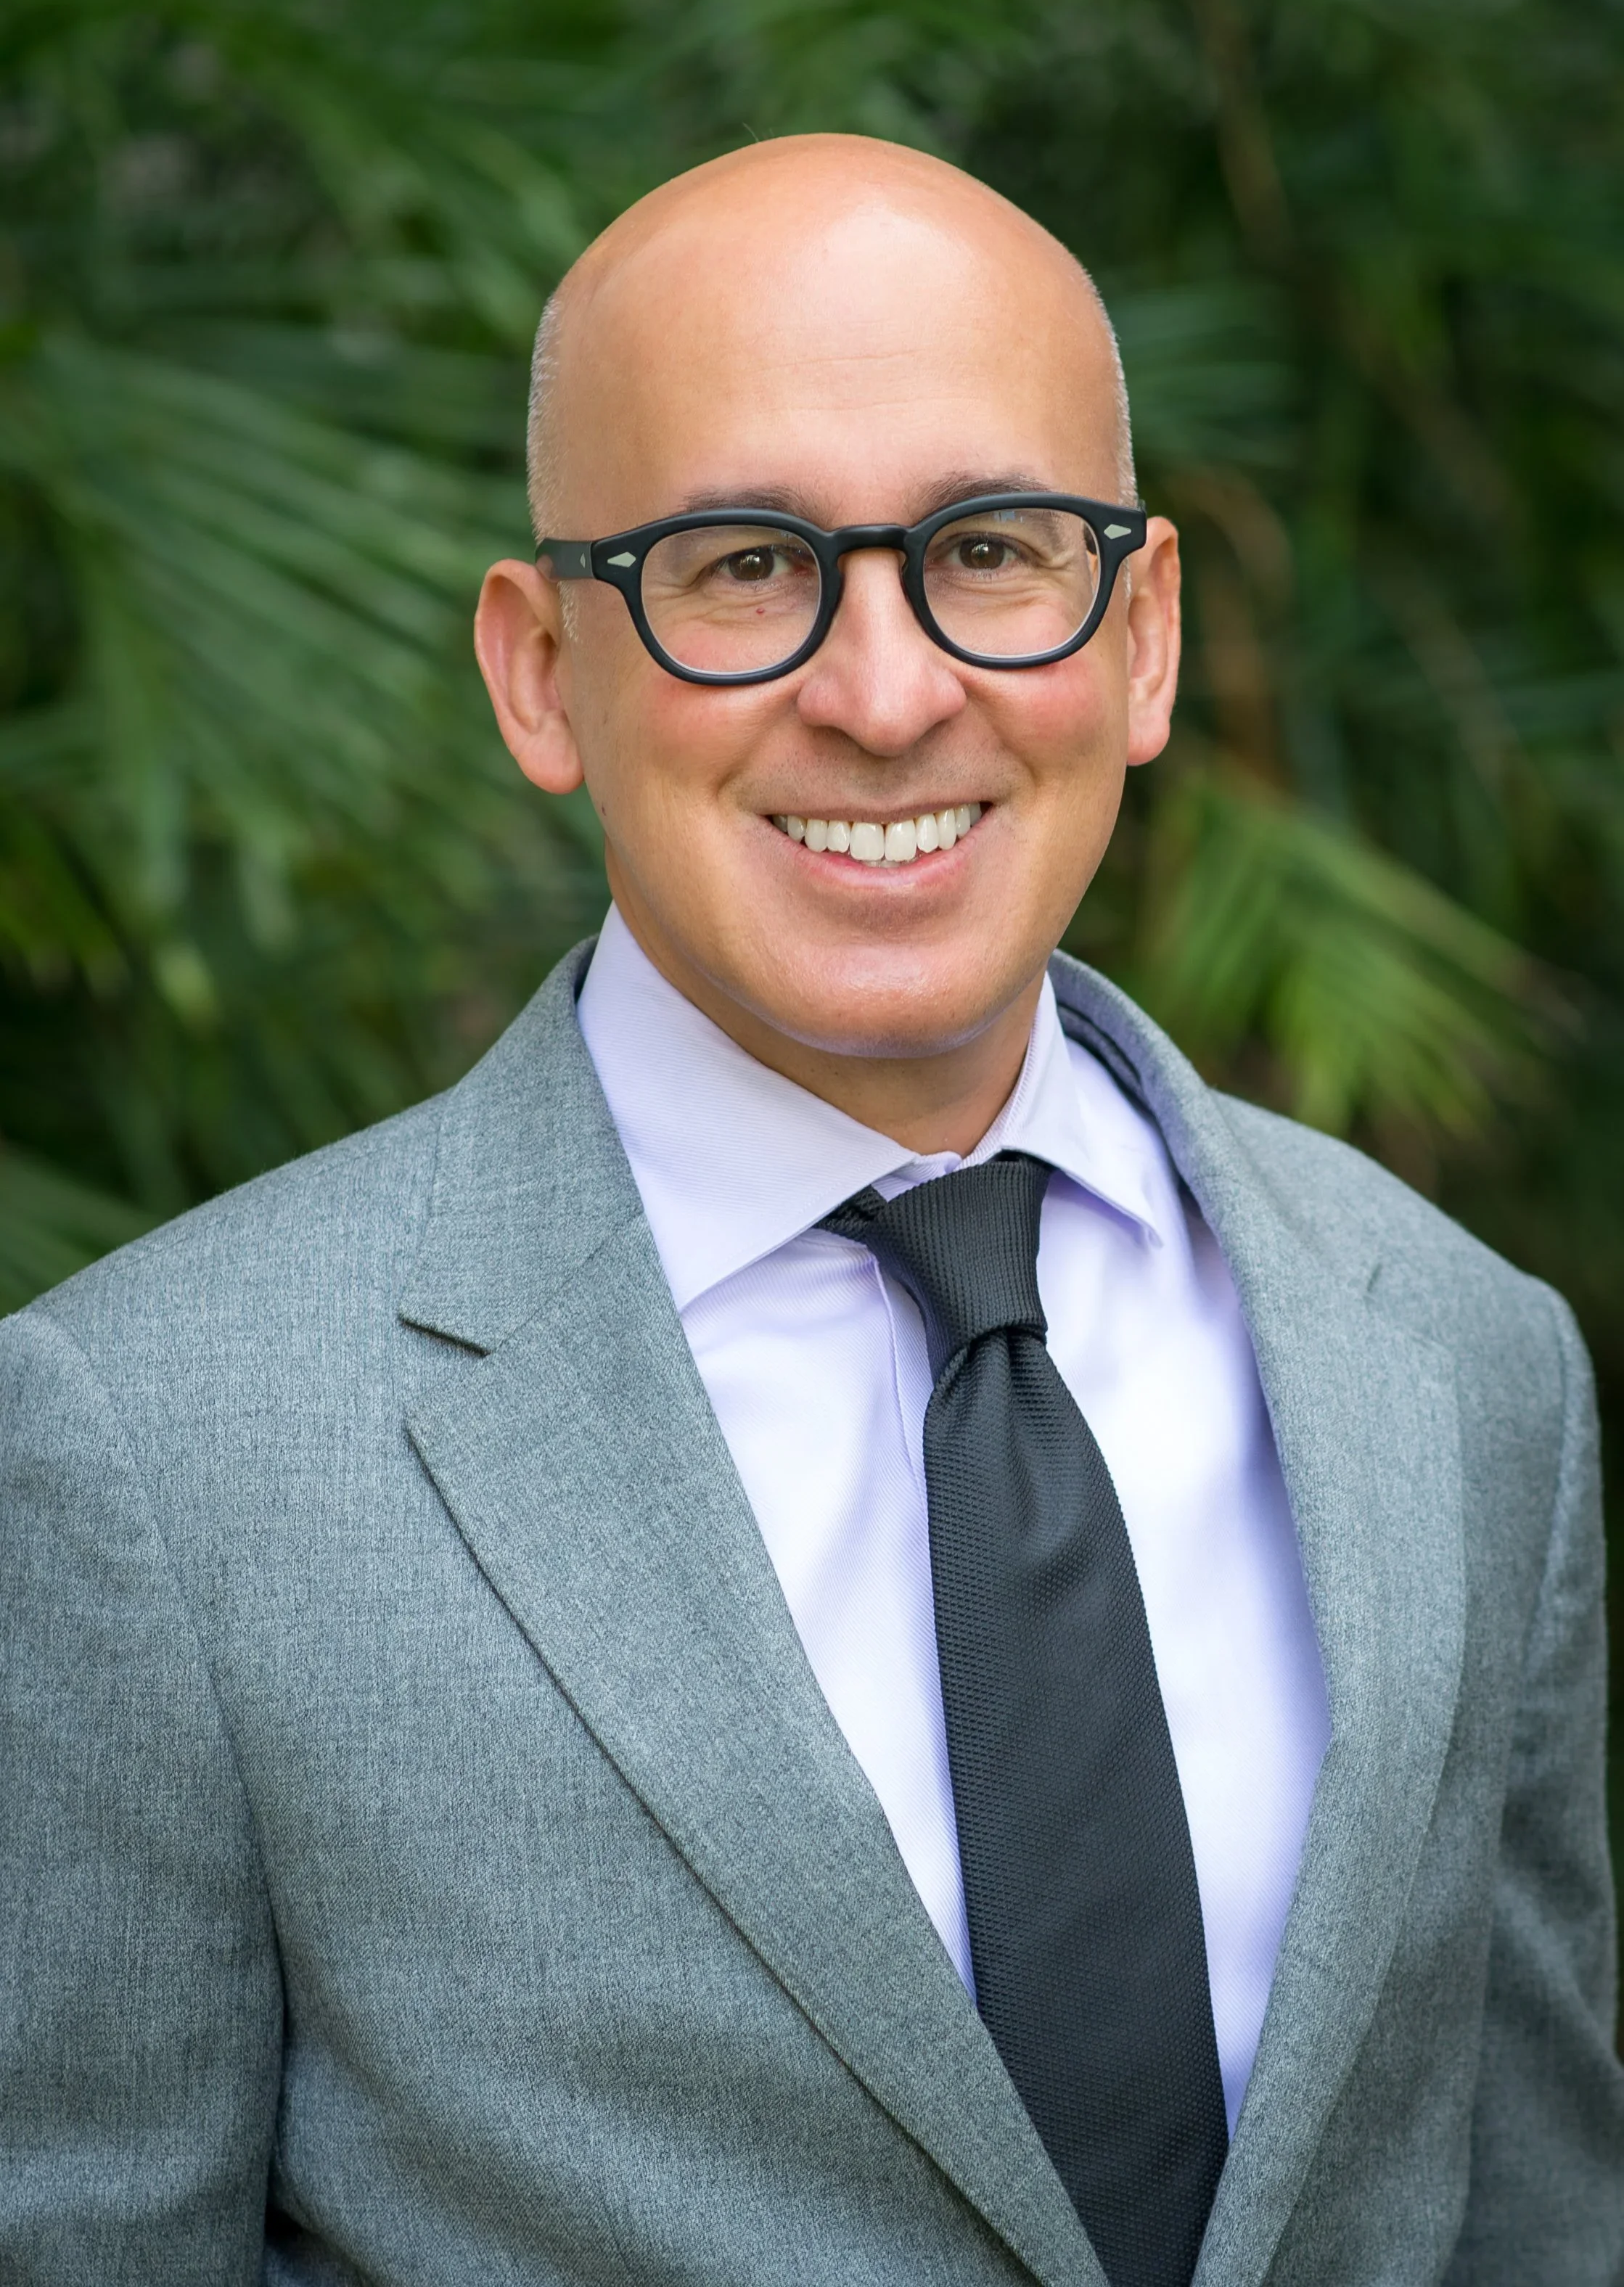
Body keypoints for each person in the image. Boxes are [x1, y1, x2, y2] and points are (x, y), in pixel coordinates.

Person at [1, 134, 1619, 2287]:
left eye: (993, 548)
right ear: (538, 671)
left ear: (1139, 639)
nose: (881, 695)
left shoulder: (1466, 1358)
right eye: (743, 564)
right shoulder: (148, 1452)